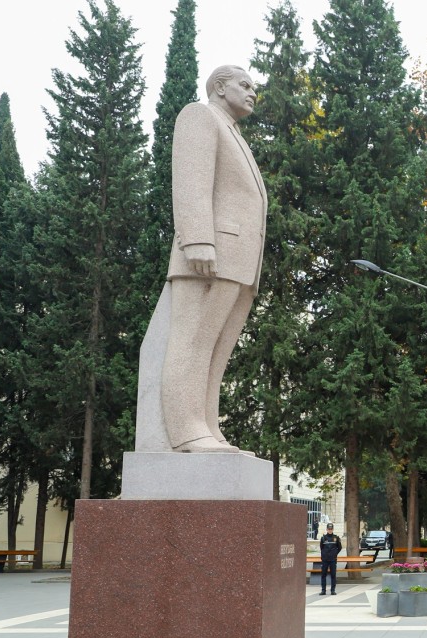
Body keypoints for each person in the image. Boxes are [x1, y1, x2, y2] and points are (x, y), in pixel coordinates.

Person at [159, 65, 267, 452]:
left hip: (239, 260)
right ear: (220, 87)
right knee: (193, 342)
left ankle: (206, 425)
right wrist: (198, 239)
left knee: (217, 350)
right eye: (245, 84)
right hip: (210, 253)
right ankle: (186, 430)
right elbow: (191, 180)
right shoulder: (199, 116)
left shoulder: (233, 132)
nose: (253, 92)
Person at [318, 523, 342, 596]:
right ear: (326, 529)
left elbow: (339, 547)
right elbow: (321, 548)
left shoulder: (336, 538)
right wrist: (324, 555)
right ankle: (323, 590)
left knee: (333, 575)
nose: (330, 530)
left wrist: (335, 553)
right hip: (325, 559)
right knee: (323, 575)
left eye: (331, 529)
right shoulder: (323, 538)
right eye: (329, 529)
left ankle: (333, 590)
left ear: (333, 529)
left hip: (333, 559)